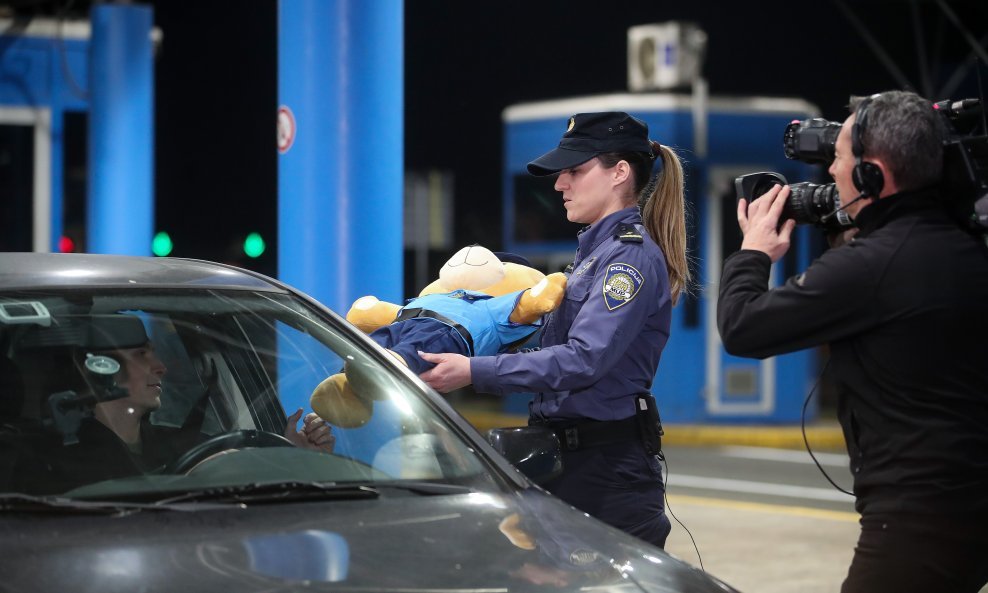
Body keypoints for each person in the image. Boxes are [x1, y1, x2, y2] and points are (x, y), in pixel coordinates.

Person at [717, 90, 988, 592]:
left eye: (839, 159)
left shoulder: (873, 266)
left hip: (916, 521)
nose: (831, 174)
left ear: (872, 175)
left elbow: (742, 327)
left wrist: (753, 252)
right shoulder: (962, 243)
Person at [419, 111, 691, 549]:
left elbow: (584, 359)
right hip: (569, 461)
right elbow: (552, 346)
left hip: (605, 474)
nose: (560, 184)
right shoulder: (591, 256)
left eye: (575, 171)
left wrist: (475, 371)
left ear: (619, 172)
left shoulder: (628, 260)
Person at [45, 338, 335, 490]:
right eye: (141, 355)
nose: (160, 366)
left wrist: (292, 456)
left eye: (153, 354)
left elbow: (243, 471)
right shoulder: (57, 462)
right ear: (99, 369)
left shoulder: (186, 445)